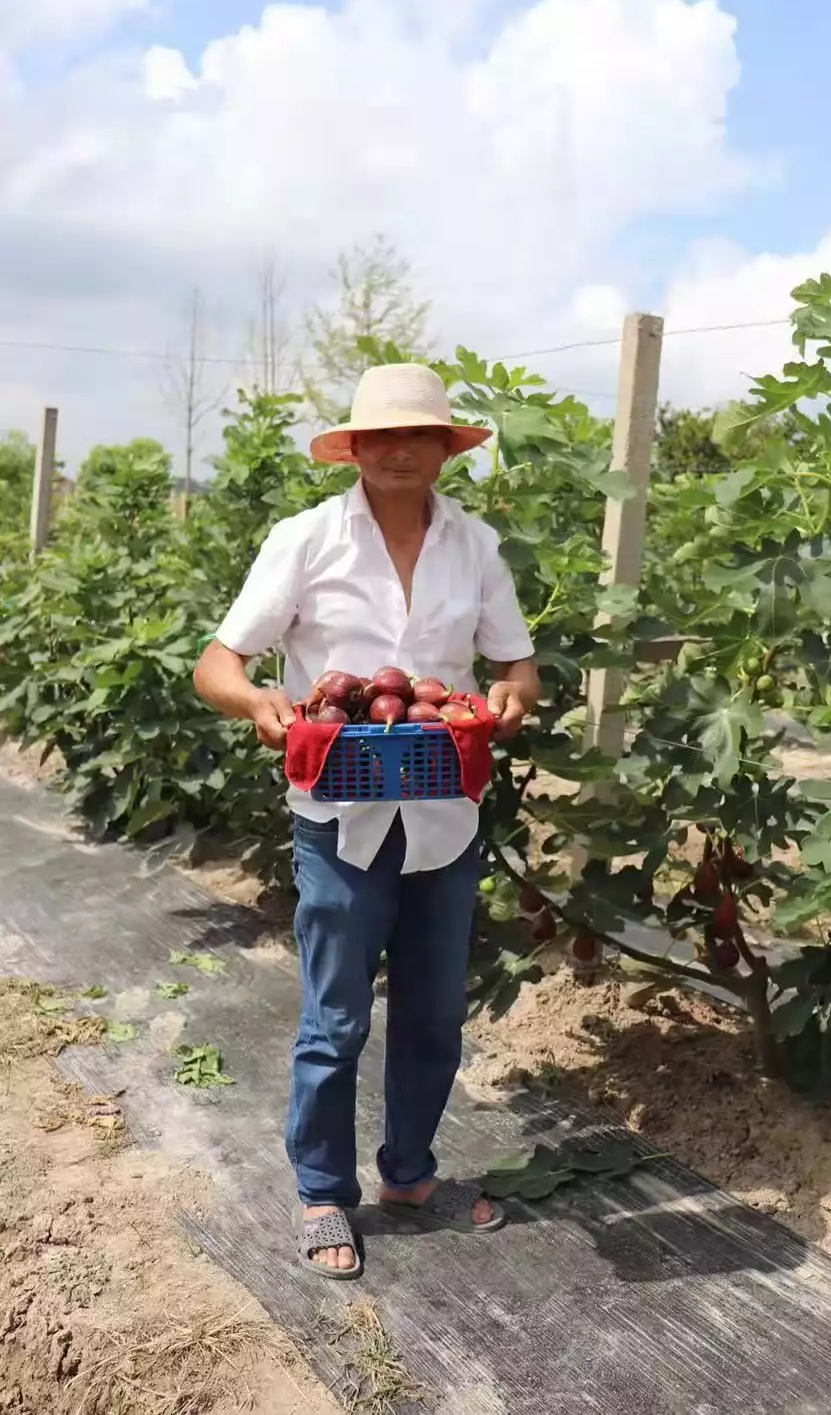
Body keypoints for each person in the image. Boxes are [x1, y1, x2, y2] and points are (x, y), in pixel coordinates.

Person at [193, 363, 540, 1278]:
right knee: (336, 1015)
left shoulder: (476, 545)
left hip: (442, 812)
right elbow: (218, 663)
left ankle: (412, 1174)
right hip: (337, 811)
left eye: (415, 435)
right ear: (352, 449)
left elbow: (516, 670)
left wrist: (505, 698)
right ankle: (321, 1191)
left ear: (442, 449)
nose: (396, 450)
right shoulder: (306, 540)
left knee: (433, 1012)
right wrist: (262, 704)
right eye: (378, 437)